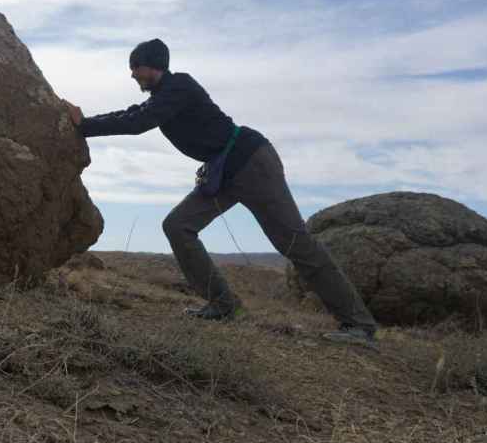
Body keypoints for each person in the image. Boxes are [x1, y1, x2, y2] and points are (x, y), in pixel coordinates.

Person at [64, 38, 378, 349]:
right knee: (178, 226)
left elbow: (138, 122)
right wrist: (87, 123)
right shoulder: (162, 96)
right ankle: (223, 305)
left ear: (153, 66)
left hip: (251, 163)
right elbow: (134, 113)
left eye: (136, 68)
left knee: (295, 243)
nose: (133, 75)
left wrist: (86, 125)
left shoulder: (179, 87)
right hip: (223, 171)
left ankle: (358, 326)